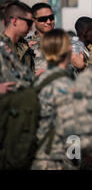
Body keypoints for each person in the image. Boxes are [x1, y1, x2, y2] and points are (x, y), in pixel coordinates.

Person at [31, 29, 77, 170]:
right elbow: (71, 132)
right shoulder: (66, 86)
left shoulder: (37, 81)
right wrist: (75, 162)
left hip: (36, 157)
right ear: (69, 49)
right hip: (57, 160)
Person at [0, 1, 35, 72]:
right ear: (15, 21)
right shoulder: (2, 46)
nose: (31, 28)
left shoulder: (24, 46)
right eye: (29, 23)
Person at [28, 3, 55, 76]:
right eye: (43, 19)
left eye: (51, 17)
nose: (49, 22)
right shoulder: (25, 45)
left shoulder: (65, 41)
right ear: (34, 21)